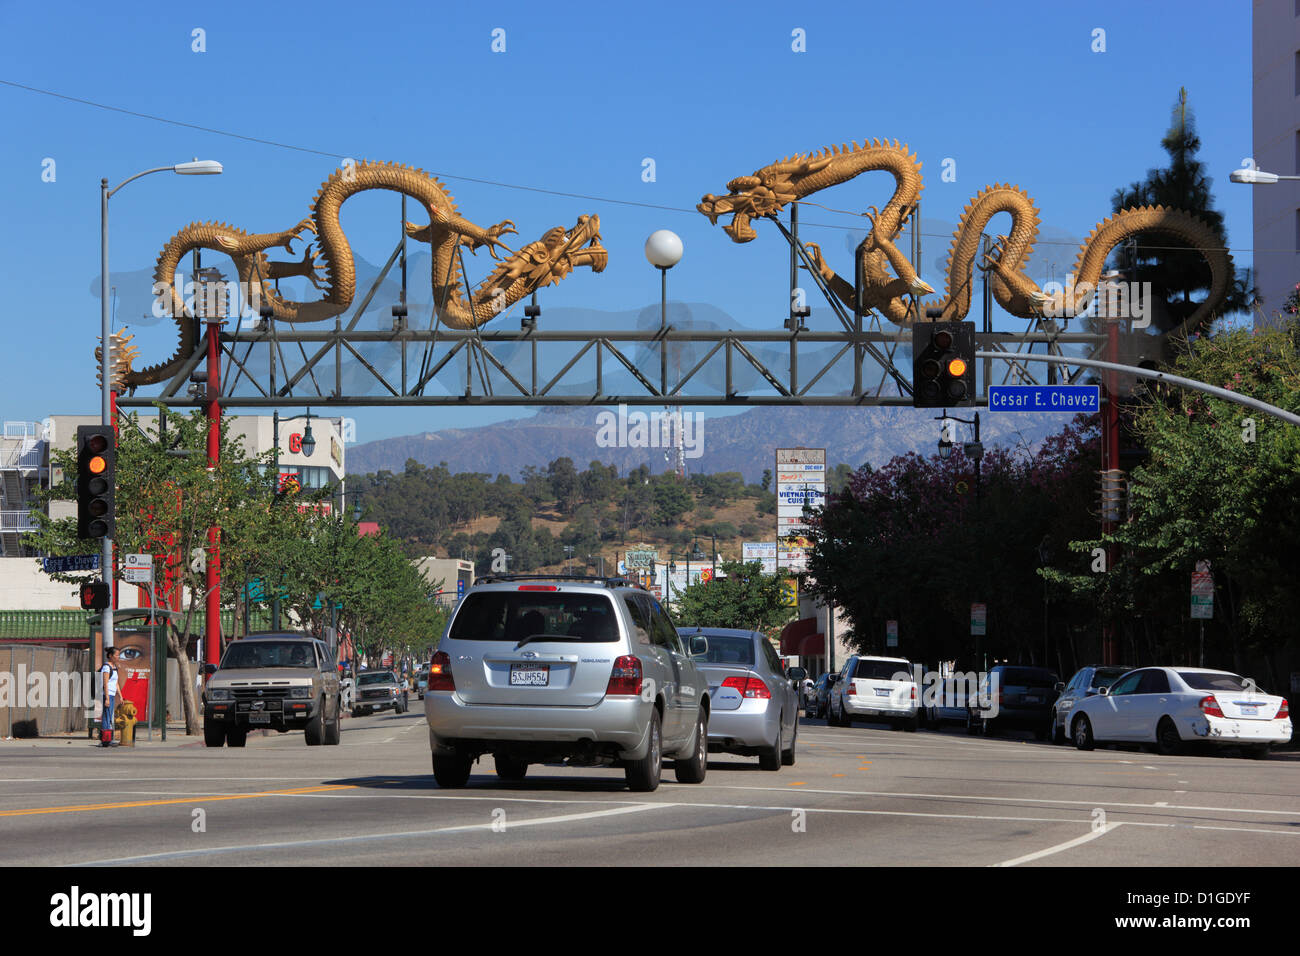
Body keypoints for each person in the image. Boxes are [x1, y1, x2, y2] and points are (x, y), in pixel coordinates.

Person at [100, 647, 119, 747]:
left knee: (109, 715)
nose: (118, 657)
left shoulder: (115, 667)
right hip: (107, 694)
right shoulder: (106, 667)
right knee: (107, 716)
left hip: (112, 694)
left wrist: (120, 696)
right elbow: (105, 683)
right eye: (116, 655)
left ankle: (107, 739)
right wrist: (107, 698)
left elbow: (116, 683)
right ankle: (105, 740)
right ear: (110, 656)